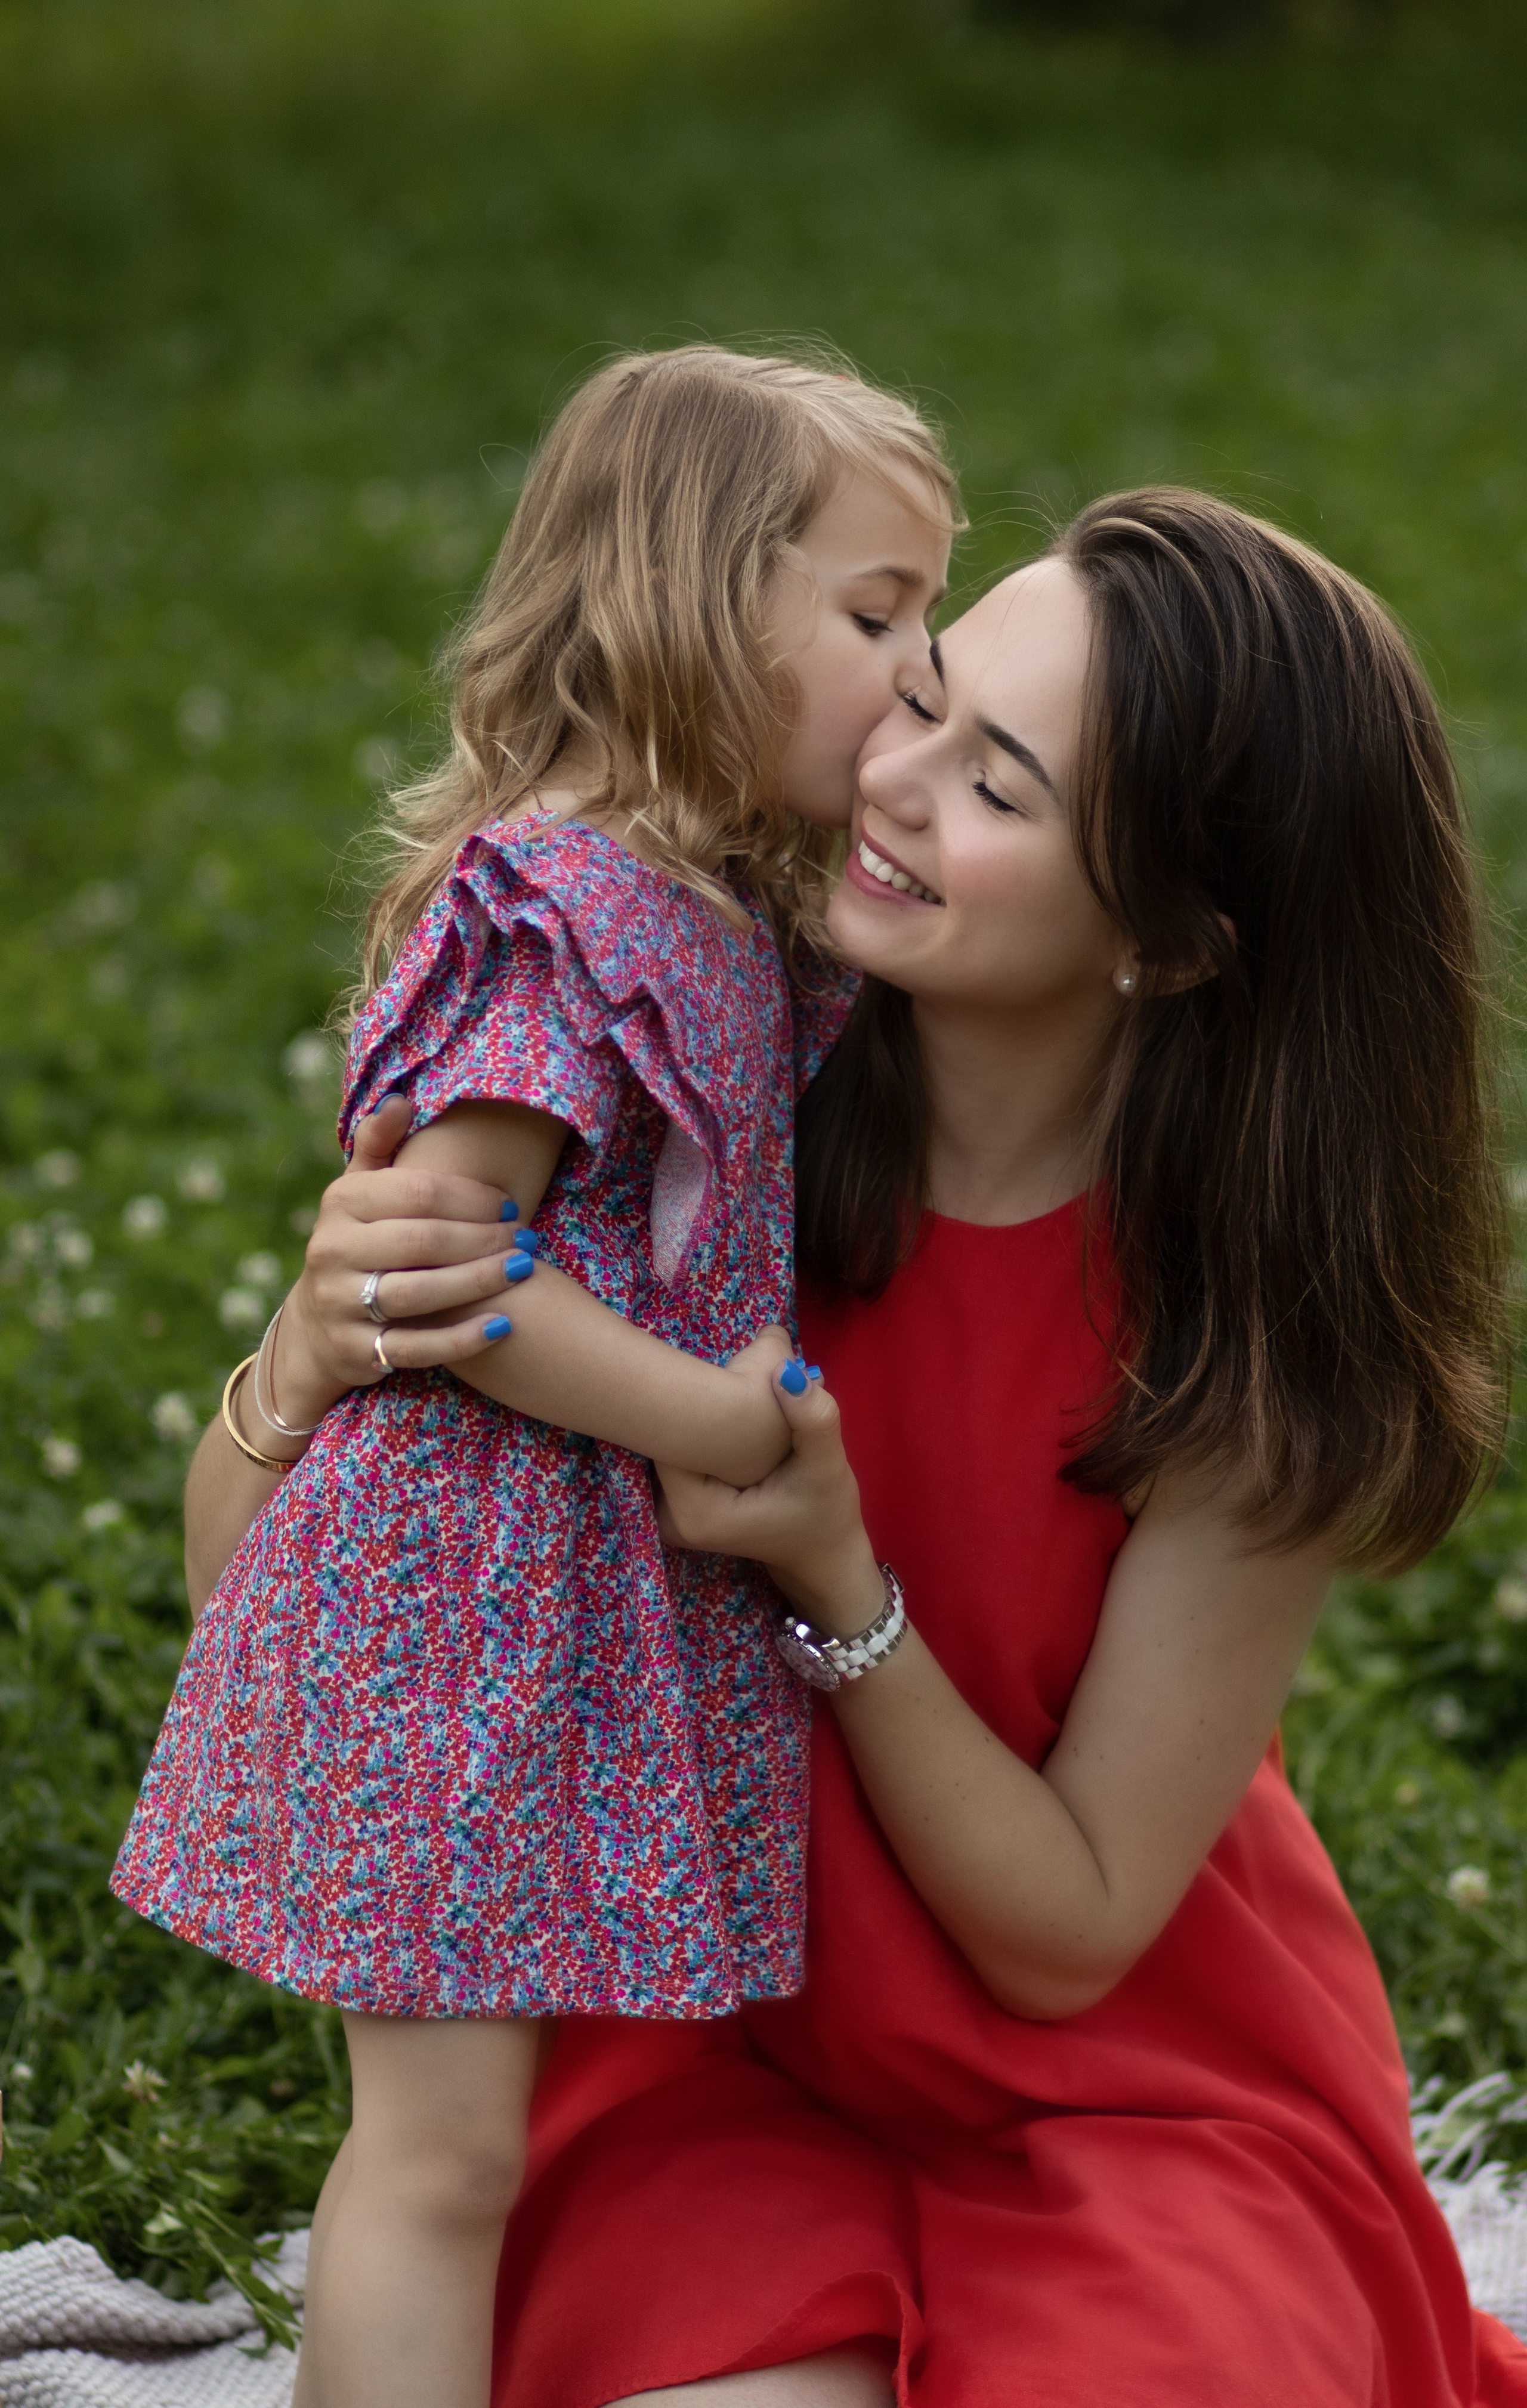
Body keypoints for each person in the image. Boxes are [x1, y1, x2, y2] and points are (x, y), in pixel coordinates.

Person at [183, 489, 1527, 2407]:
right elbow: (250, 1589)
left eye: (1001, 788)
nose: (892, 781)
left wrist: (838, 1581)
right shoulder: (676, 1098)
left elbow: (1069, 1938)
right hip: (705, 2056)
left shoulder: (1248, 1331)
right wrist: (302, 1363)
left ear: (1170, 938)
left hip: (1135, 2110)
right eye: (928, 697)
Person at [110, 345, 956, 2408]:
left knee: (465, 2147)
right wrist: (722, 1420)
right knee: (442, 2152)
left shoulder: (709, 907)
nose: (926, 678)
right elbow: (444, 1281)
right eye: (878, 614)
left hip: (538, 1616)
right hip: (450, 1621)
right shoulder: (565, 907)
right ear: (689, 604)